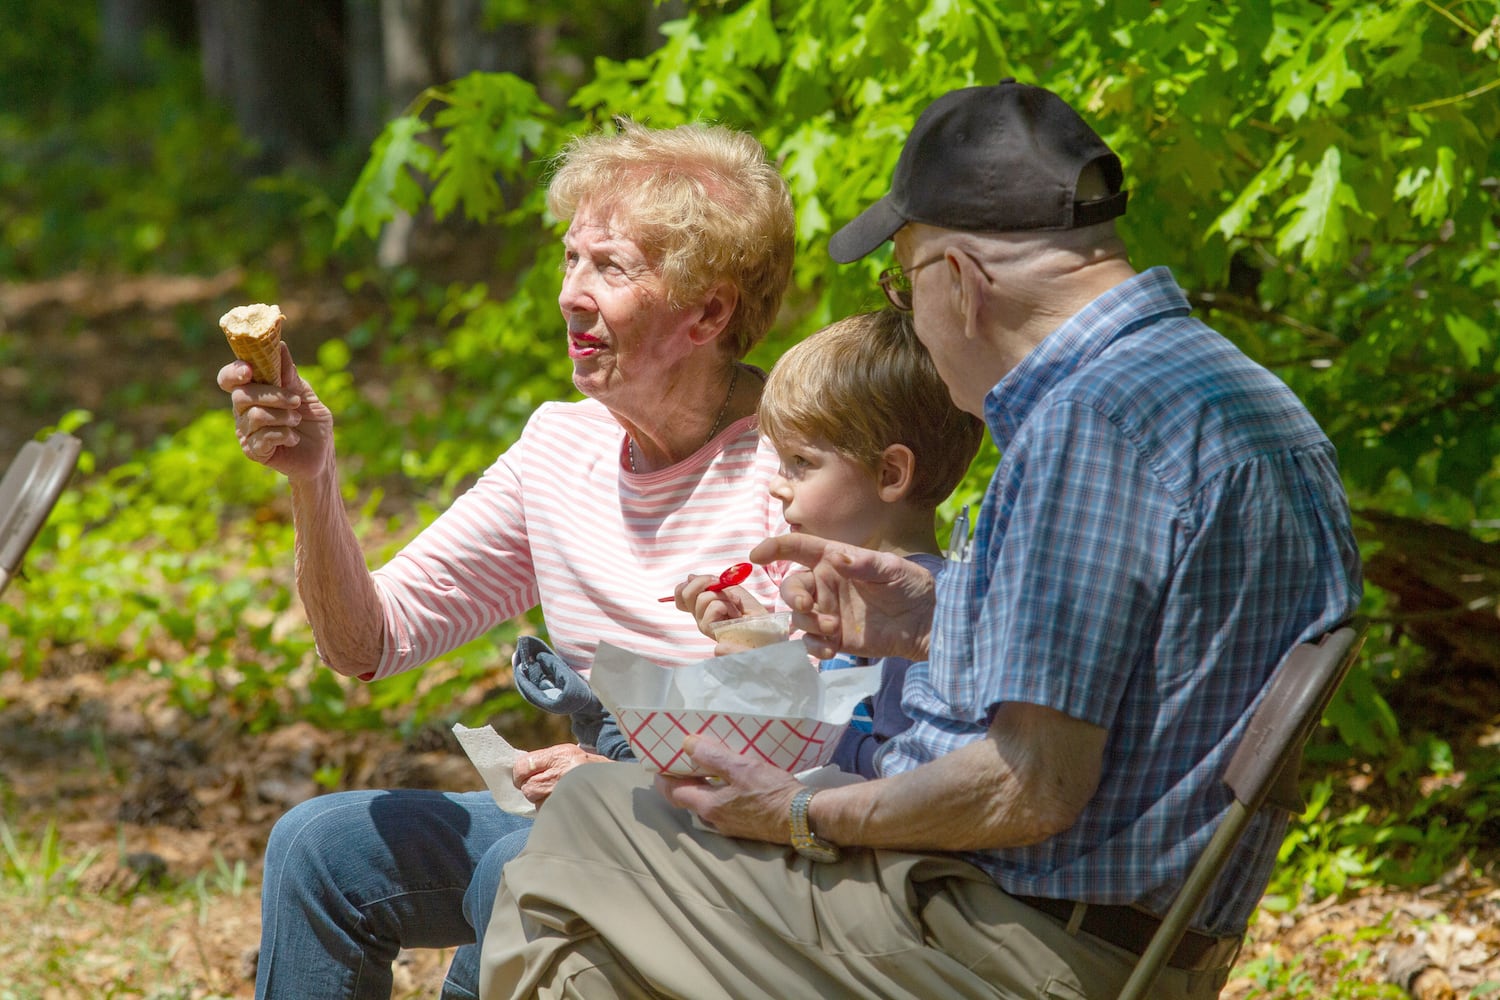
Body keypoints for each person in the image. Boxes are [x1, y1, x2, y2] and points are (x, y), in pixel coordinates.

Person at [477, 79, 1364, 999]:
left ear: (963, 282)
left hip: (1013, 945)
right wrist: (936, 618)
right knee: (591, 948)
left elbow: (1033, 786)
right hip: (1115, 933)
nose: (913, 319)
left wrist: (802, 812)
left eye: (903, 284)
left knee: (584, 825)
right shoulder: (1238, 397)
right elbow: (1146, 669)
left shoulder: (1090, 428)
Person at [217, 119, 796, 1000]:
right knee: (317, 848)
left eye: (611, 267)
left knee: (519, 873)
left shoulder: (794, 464)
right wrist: (313, 475)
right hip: (579, 810)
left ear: (709, 312)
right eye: (571, 260)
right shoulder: (558, 448)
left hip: (725, 830)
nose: (571, 293)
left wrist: (627, 781)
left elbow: (822, 724)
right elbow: (365, 642)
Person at [680, 308, 983, 776]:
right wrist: (768, 647)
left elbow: (902, 777)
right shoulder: (857, 595)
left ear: (890, 474)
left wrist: (793, 716)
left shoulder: (919, 616)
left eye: (801, 461)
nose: (778, 485)